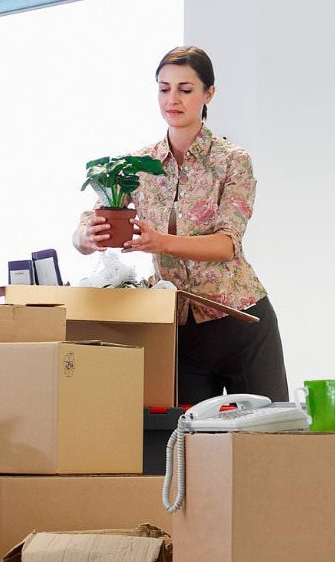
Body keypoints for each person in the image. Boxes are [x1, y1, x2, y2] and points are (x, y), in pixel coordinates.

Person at [71, 45, 288, 405]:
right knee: (185, 447)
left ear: (209, 94)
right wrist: (85, 236)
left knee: (261, 443)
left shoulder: (233, 161)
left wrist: (162, 242)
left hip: (241, 322)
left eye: (185, 90)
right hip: (176, 328)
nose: (172, 98)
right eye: (164, 88)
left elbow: (226, 244)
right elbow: (95, 219)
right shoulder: (139, 164)